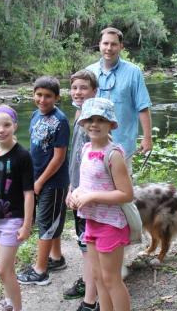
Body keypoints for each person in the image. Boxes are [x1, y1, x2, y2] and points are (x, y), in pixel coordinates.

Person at [69, 97, 134, 311]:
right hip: (92, 221)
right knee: (97, 277)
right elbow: (86, 185)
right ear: (82, 123)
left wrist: (91, 197)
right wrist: (75, 194)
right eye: (90, 119)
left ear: (111, 124)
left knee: (111, 279)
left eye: (100, 120)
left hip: (111, 224)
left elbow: (126, 194)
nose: (94, 124)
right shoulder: (86, 149)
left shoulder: (113, 154)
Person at [0, 105, 35, 311]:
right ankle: (9, 303)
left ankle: (17, 307)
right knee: (7, 268)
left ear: (15, 126)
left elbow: (29, 193)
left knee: (2, 270)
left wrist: (27, 225)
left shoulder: (22, 155)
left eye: (6, 125)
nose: (1, 130)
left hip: (13, 219)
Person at [17, 76, 70, 286]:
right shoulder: (35, 115)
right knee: (50, 220)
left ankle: (40, 271)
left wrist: (39, 182)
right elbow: (35, 148)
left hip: (54, 182)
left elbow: (59, 158)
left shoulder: (61, 121)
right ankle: (56, 258)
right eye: (38, 95)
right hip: (37, 177)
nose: (42, 99)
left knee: (45, 223)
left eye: (47, 96)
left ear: (56, 97)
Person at [86, 27, 153, 175]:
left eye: (114, 44)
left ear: (121, 46)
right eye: (105, 43)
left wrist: (147, 138)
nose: (109, 48)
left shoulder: (133, 72)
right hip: (93, 144)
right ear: (99, 44)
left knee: (122, 192)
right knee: (95, 188)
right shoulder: (89, 72)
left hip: (122, 144)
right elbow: (81, 108)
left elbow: (143, 106)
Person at [64, 70, 99, 311]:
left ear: (94, 91)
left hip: (88, 194)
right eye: (75, 88)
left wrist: (81, 191)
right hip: (76, 190)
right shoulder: (80, 115)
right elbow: (75, 158)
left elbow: (95, 164)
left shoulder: (94, 121)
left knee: (90, 247)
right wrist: (70, 187)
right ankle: (88, 285)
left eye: (84, 88)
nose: (78, 92)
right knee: (84, 244)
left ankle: (91, 301)